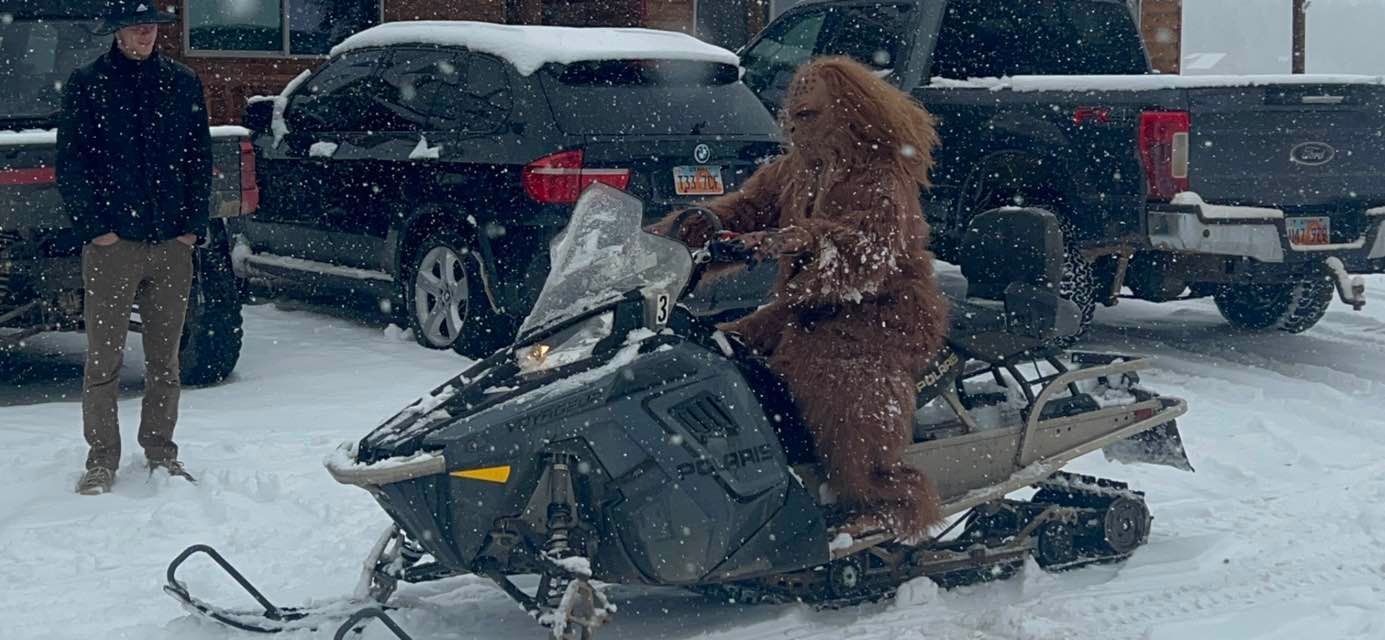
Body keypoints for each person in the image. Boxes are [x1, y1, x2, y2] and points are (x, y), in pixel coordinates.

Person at [655, 57, 950, 542]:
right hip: (806, 309)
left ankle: (882, 497)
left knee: (838, 380)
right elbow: (747, 207)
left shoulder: (881, 177)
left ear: (848, 112)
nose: (793, 123)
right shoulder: (795, 171)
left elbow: (866, 247)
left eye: (808, 114)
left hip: (878, 319)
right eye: (790, 113)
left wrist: (803, 240)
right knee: (713, 351)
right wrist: (688, 229)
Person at [57, 0, 213, 495]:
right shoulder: (88, 84)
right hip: (113, 246)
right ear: (117, 33)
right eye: (137, 30)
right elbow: (72, 163)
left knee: (164, 359)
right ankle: (101, 458)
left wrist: (191, 227)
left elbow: (198, 159)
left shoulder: (182, 83)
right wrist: (97, 228)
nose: (146, 38)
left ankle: (162, 451)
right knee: (103, 359)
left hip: (171, 243)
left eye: (152, 30)